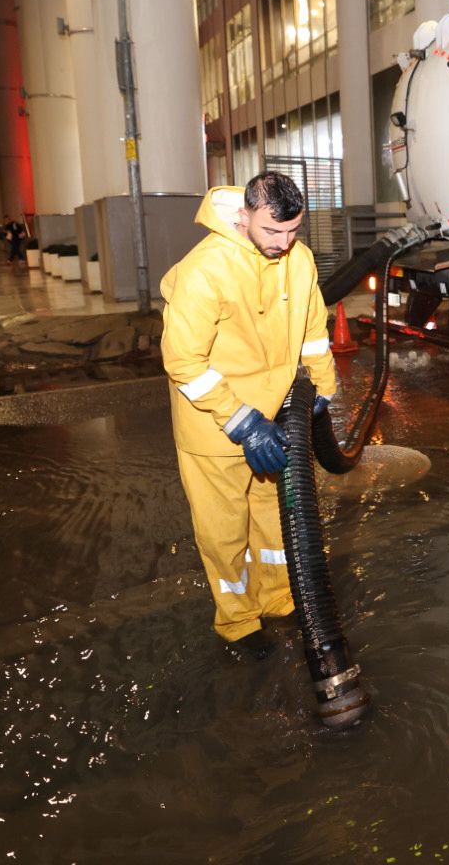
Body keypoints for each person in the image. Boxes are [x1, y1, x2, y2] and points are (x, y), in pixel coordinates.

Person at [161, 172, 337, 660]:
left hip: (275, 417)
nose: (284, 243)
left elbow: (313, 331)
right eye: (272, 231)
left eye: (293, 231)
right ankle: (237, 621)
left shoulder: (299, 260)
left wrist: (323, 387)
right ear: (243, 216)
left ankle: (278, 599)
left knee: (274, 520)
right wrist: (242, 422)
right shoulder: (205, 270)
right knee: (224, 532)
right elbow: (183, 362)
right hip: (214, 428)